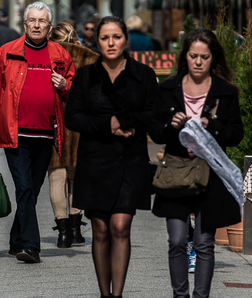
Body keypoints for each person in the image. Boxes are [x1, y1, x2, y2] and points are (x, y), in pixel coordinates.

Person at [65, 16, 159, 298]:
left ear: (126, 39)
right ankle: (104, 294)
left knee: (120, 226)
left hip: (130, 161)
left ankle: (117, 295)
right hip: (94, 161)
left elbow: (154, 115)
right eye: (105, 38)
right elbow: (73, 117)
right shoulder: (85, 75)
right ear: (97, 41)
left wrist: (124, 120)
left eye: (116, 37)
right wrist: (107, 125)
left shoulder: (143, 74)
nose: (111, 43)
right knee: (101, 230)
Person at [150, 28, 243, 298]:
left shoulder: (225, 93)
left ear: (213, 58)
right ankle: (181, 295)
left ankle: (201, 296)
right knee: (177, 240)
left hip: (210, 173)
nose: (199, 62)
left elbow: (236, 134)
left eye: (204, 56)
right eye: (193, 56)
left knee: (204, 243)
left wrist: (212, 125)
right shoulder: (168, 88)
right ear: (185, 57)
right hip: (176, 171)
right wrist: (171, 125)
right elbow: (155, 131)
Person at [0, 1, 75, 264]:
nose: (36, 25)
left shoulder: (59, 55)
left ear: (50, 26)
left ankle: (15, 240)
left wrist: (65, 86)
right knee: (24, 187)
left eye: (42, 21)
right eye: (32, 20)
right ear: (24, 25)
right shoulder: (8, 52)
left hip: (46, 134)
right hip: (15, 134)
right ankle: (31, 246)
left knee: (30, 191)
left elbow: (75, 90)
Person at [46, 22, 98, 248]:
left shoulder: (48, 57)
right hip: (81, 124)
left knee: (56, 176)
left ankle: (63, 232)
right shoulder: (91, 58)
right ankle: (77, 228)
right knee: (76, 176)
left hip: (55, 122)